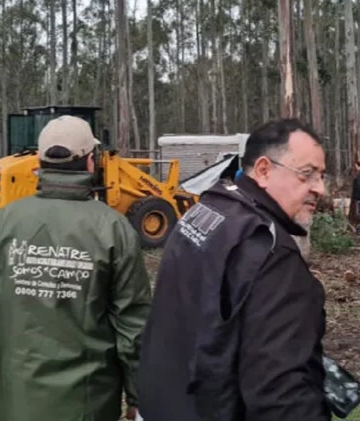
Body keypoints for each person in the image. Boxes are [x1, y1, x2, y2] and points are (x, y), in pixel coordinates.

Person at [0, 115, 152, 421]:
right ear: (90, 162)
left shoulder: (4, 222)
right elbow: (133, 324)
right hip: (90, 403)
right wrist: (138, 397)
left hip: (16, 400)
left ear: (39, 162)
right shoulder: (113, 228)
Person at [137, 119, 331, 421]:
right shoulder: (271, 253)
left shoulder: (208, 211)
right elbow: (282, 394)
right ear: (264, 170)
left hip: (163, 403)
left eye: (321, 176)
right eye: (307, 174)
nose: (320, 188)